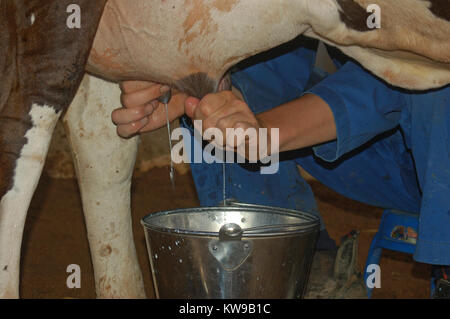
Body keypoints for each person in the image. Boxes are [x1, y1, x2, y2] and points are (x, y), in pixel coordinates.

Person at [112, 37, 450, 298]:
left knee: (435, 65)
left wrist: (263, 132)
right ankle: (294, 261)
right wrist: (207, 86)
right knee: (224, 59)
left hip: (436, 135)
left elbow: (408, 72)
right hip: (394, 145)